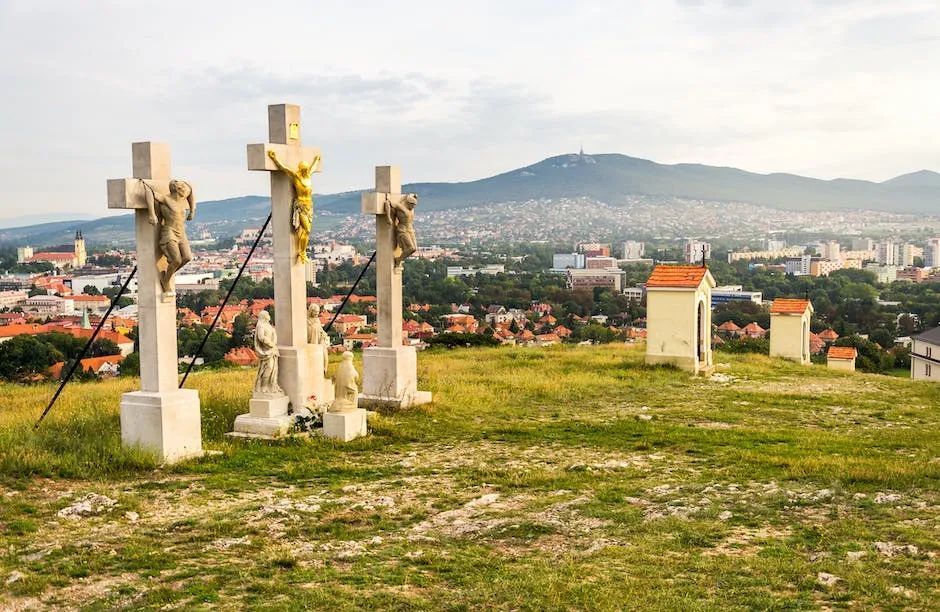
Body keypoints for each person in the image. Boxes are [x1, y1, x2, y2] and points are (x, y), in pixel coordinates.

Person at [267, 150, 320, 263]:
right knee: (307, 229)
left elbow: (314, 167)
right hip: (301, 206)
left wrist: (316, 160)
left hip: (309, 206)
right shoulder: (296, 177)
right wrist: (274, 159)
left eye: (307, 169)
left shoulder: (308, 176)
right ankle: (301, 252)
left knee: (306, 231)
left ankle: (302, 251)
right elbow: (284, 168)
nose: (306, 171)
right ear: (301, 169)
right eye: (304, 169)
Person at [145, 179, 195, 298]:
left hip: (181, 232)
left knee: (187, 257)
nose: (184, 190)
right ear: (176, 190)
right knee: (177, 260)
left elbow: (191, 189)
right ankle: (165, 281)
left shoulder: (182, 198)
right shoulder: (166, 199)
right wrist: (152, 213)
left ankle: (168, 274)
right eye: (182, 189)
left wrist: (192, 210)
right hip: (169, 231)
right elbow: (149, 192)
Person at [253, 310, 282, 395]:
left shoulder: (268, 325)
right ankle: (263, 387)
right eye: (267, 315)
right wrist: (270, 343)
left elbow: (274, 334)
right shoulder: (261, 326)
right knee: (269, 368)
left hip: (272, 349)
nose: (269, 316)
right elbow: (261, 337)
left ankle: (271, 385)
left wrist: (273, 343)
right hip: (266, 351)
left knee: (274, 368)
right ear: (264, 316)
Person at [386, 193, 418, 268]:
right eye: (412, 204)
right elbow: (387, 203)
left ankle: (399, 259)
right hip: (402, 229)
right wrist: (388, 218)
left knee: (414, 249)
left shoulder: (412, 210)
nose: (413, 207)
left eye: (414, 205)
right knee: (411, 248)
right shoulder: (400, 207)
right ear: (408, 203)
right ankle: (398, 260)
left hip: (410, 229)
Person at [306, 303, 330, 376]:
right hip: (312, 342)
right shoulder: (306, 321)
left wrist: (323, 333)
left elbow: (320, 329)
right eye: (315, 312)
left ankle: (324, 369)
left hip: (319, 340)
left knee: (325, 355)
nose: (317, 314)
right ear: (311, 311)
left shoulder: (317, 320)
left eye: (318, 312)